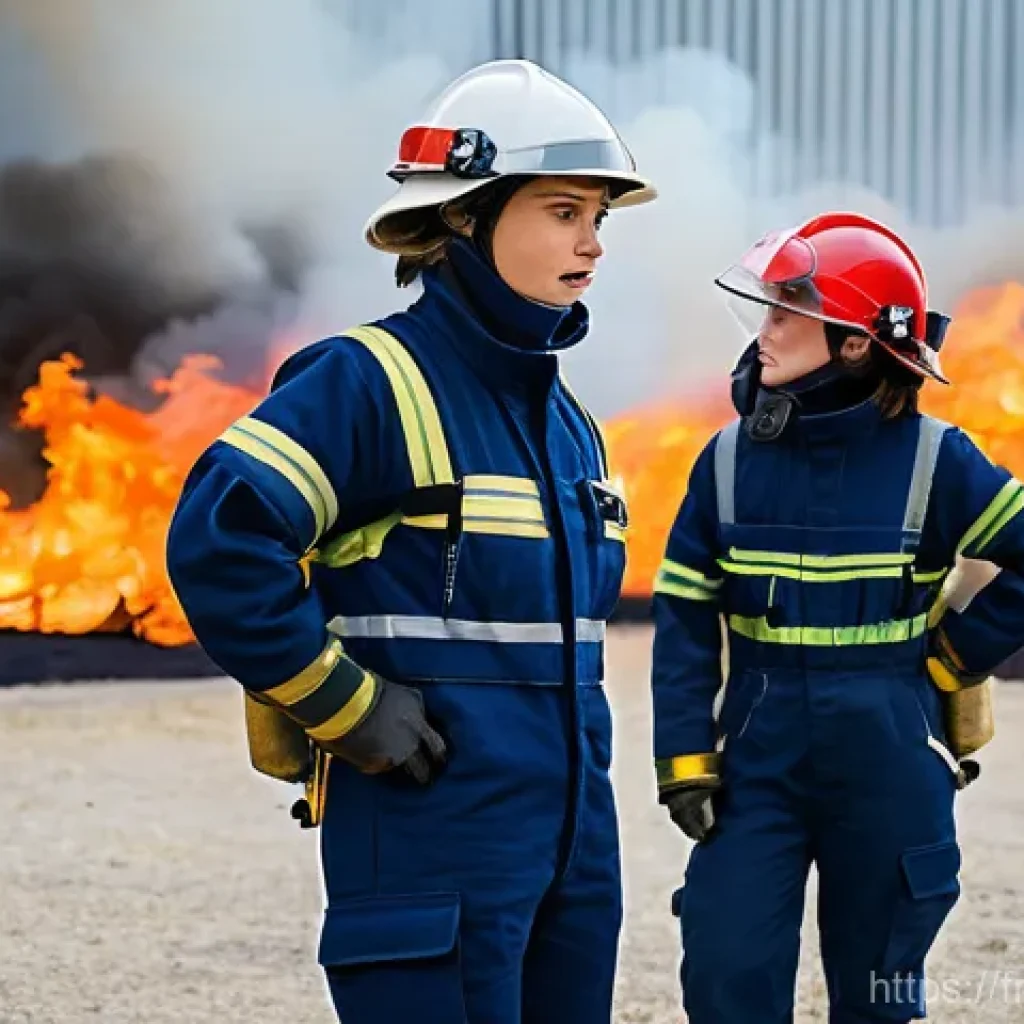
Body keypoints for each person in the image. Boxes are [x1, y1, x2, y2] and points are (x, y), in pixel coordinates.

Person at [166, 58, 656, 1024]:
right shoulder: (366, 380)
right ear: (465, 216)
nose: (593, 243)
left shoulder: (572, 427)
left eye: (599, 217)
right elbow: (220, 538)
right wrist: (341, 705)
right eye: (564, 212)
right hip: (431, 848)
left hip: (572, 859)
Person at [650, 211, 1024, 1023]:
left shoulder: (938, 457)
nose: (766, 328)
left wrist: (955, 658)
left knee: (879, 990)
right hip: (757, 754)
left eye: (790, 311)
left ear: (856, 343)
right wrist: (683, 757)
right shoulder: (723, 462)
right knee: (725, 972)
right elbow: (682, 614)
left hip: (890, 749)